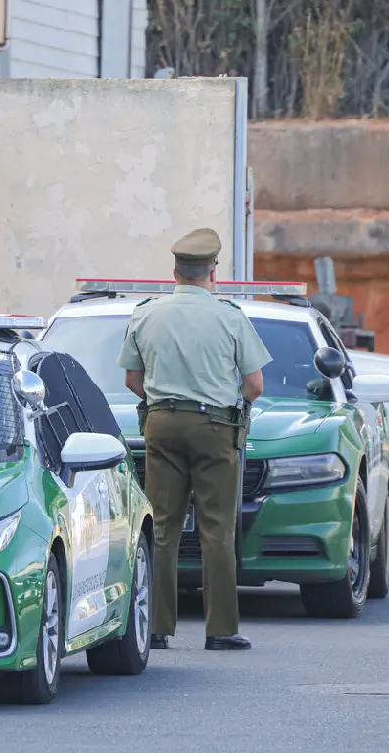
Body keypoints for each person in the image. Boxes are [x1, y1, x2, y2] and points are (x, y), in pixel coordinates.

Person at [116, 227, 272, 651]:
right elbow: (254, 385)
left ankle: (156, 627)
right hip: (214, 427)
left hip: (162, 423)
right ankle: (220, 629)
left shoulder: (146, 314)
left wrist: (166, 401)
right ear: (212, 272)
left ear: (174, 272)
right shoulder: (230, 317)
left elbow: (133, 379)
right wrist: (223, 402)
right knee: (216, 529)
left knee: (162, 527)